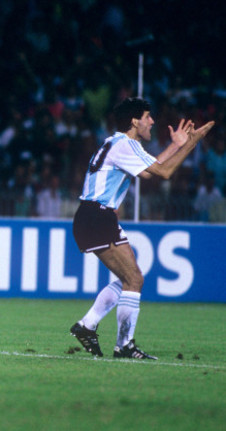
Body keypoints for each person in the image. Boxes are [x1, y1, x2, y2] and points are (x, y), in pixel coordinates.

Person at [69, 97, 214, 360]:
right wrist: (192, 143)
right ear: (135, 122)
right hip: (97, 216)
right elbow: (165, 172)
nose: (152, 121)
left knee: (130, 279)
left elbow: (149, 172)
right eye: (148, 116)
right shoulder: (124, 144)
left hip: (95, 216)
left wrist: (176, 145)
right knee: (134, 279)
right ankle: (123, 344)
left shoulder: (120, 143)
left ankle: (88, 326)